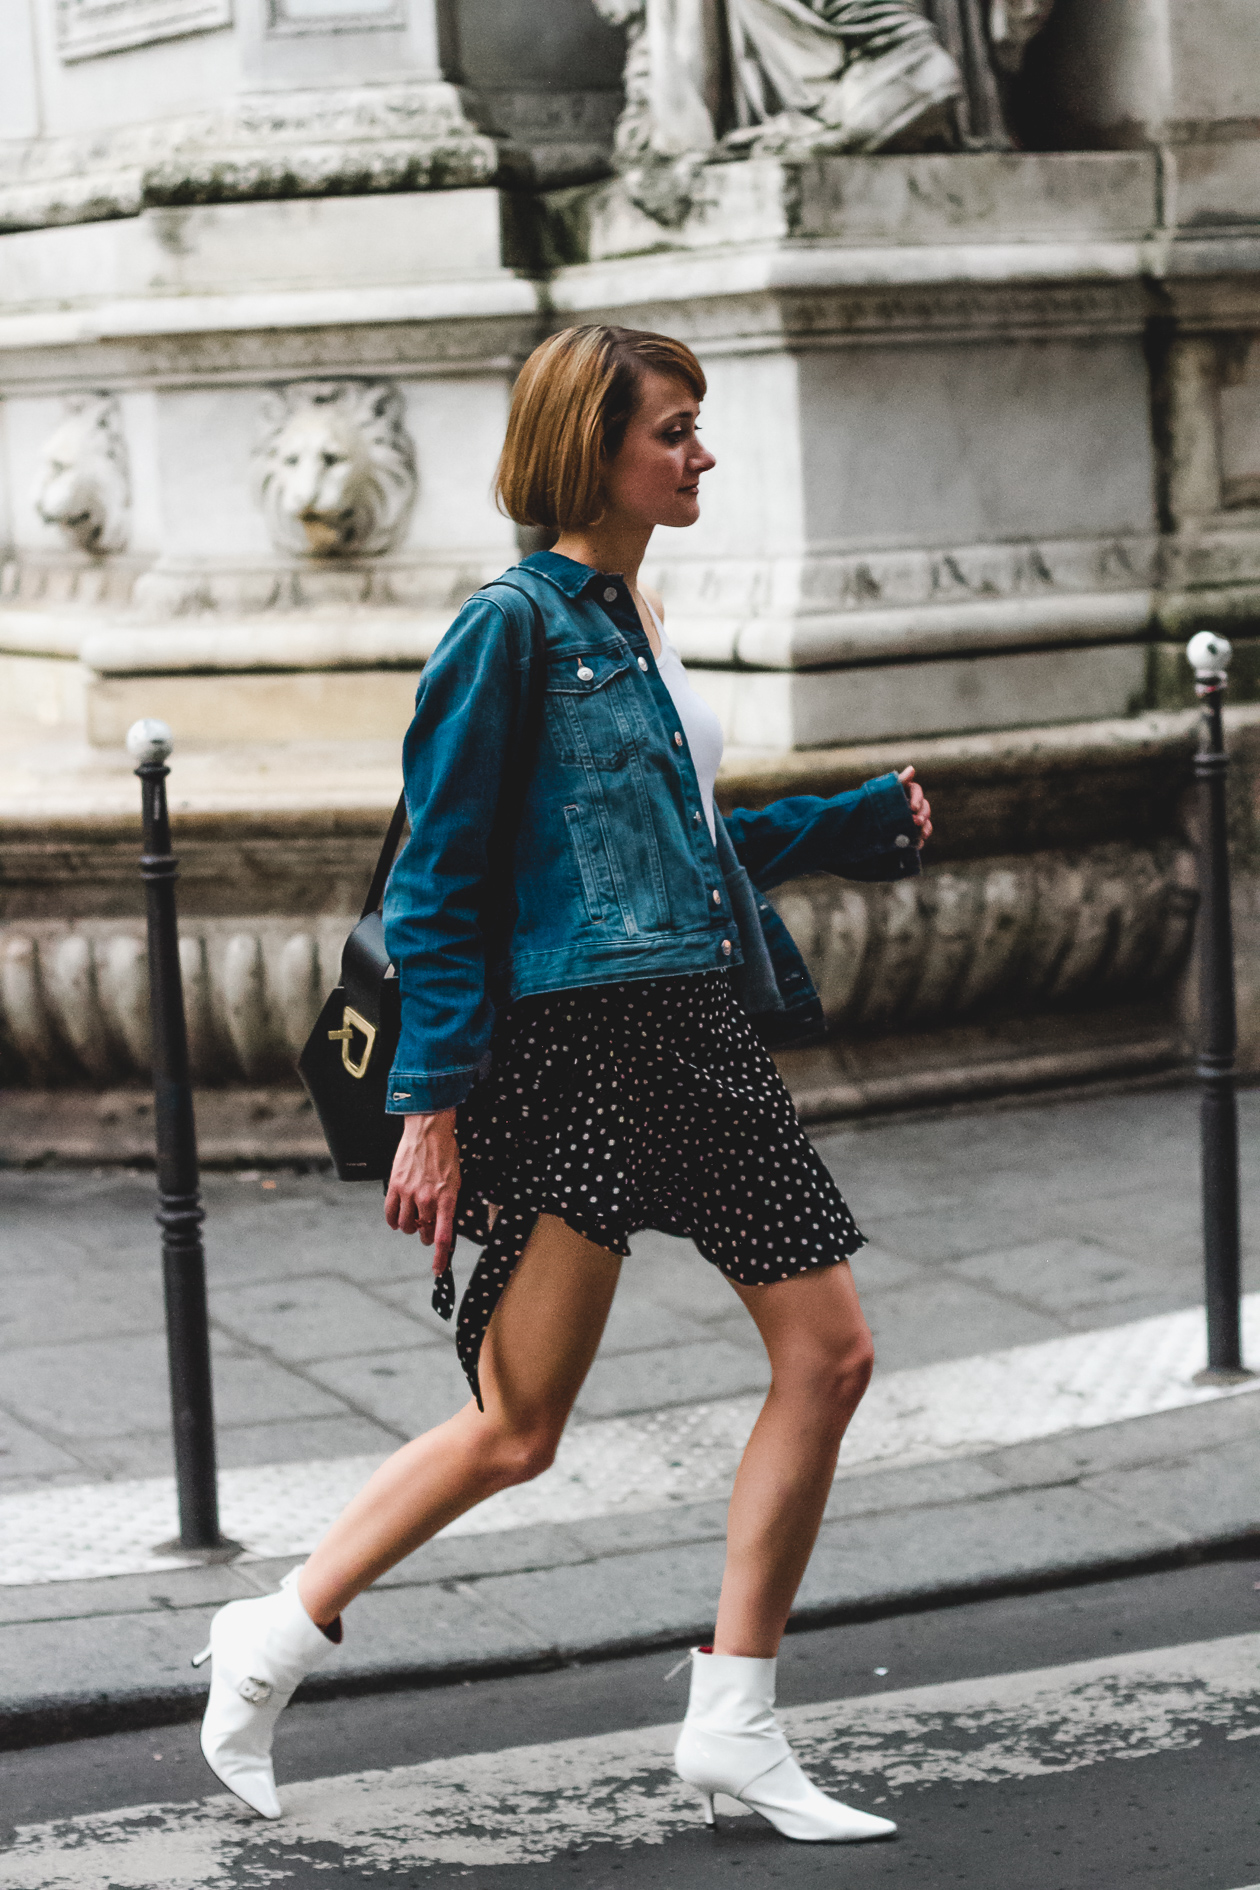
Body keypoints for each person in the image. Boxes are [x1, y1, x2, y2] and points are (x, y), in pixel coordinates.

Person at [193, 323, 933, 1841]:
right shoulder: (509, 629)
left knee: (833, 1355)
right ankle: (271, 1638)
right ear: (593, 448)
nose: (702, 453)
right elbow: (446, 880)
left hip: (693, 1037)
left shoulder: (634, 610)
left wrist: (854, 822)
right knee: (520, 1425)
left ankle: (735, 1716)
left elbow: (675, 857)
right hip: (579, 1059)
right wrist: (432, 1102)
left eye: (699, 426)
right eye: (676, 429)